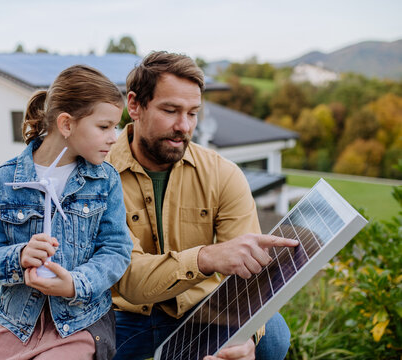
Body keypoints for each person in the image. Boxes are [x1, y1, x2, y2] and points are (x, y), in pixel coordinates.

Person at [107, 51, 299, 360]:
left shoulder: (222, 174)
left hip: (199, 309)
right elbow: (130, 280)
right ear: (134, 105)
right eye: (170, 110)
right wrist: (206, 258)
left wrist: (245, 339)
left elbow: (249, 283)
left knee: (271, 333)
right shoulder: (97, 173)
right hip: (121, 315)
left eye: (193, 113)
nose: (184, 126)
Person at [0, 65, 133, 360]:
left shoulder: (105, 180)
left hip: (80, 321)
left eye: (115, 127)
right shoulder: (0, 182)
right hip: (17, 322)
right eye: (104, 127)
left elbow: (117, 250)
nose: (115, 137)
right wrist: (18, 257)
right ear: (66, 124)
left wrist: (74, 283)